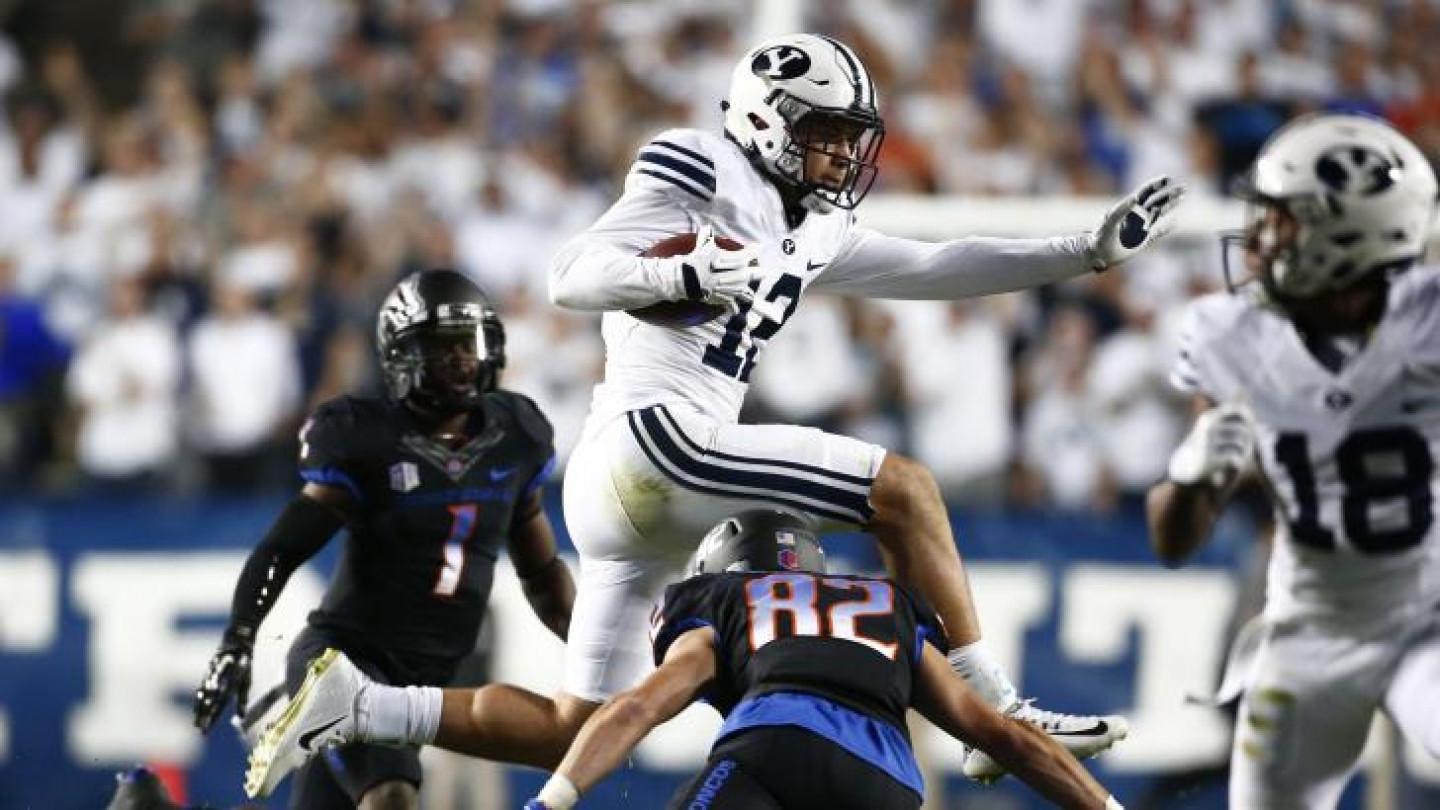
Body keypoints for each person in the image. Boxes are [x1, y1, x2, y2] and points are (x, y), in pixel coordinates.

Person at [247, 32, 1178, 789]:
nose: (843, 152)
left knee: (574, 727)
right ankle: (991, 709)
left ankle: (364, 707)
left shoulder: (812, 221)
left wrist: (1084, 249)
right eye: (824, 131)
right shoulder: (703, 168)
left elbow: (937, 268)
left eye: (850, 134)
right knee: (904, 489)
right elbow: (571, 274)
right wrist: (678, 270)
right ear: (767, 120)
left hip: (627, 483)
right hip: (661, 442)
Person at [1145, 112, 1440, 808]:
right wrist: (1192, 478)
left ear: (1353, 237)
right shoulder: (1231, 335)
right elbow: (1172, 540)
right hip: (1312, 622)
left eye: (1284, 220)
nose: (1259, 239)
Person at [195, 268, 574, 809]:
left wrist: (593, 647)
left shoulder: (516, 436)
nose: (464, 358)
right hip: (343, 665)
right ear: (404, 353)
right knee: (391, 797)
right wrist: (238, 638)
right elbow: (282, 549)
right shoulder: (366, 437)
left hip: (421, 686)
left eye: (470, 343)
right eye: (445, 347)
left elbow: (541, 575)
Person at [522, 510, 1125, 810]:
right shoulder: (889, 605)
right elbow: (1002, 736)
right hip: (888, 785)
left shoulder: (729, 599)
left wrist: (553, 799)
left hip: (774, 750)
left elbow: (636, 708)